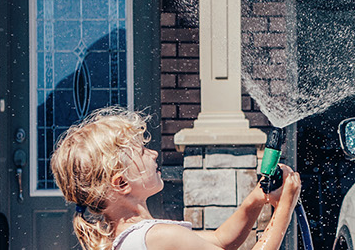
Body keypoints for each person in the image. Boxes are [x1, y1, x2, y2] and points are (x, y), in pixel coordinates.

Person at [50, 107, 301, 250]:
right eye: (141, 151)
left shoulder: (132, 238)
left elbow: (219, 241)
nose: (154, 153)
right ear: (122, 183)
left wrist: (256, 199)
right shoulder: (159, 237)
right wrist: (285, 206)